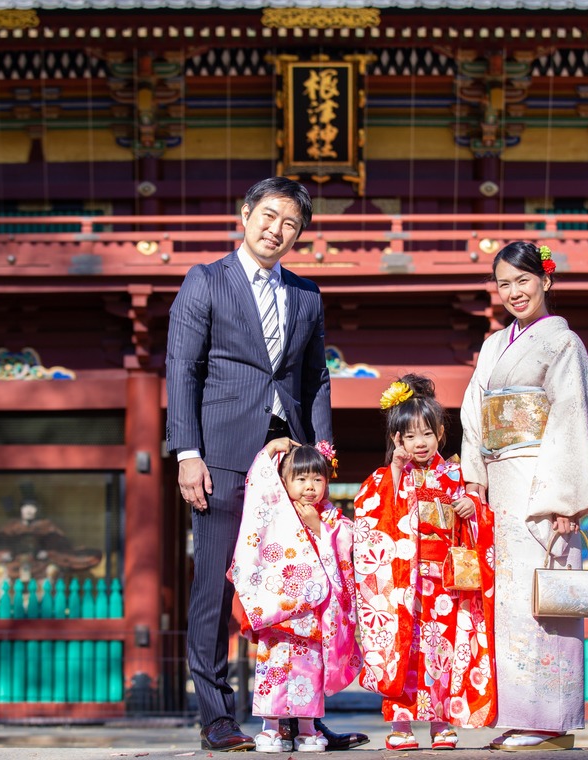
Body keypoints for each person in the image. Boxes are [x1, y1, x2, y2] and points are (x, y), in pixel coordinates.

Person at [166, 176, 366, 752]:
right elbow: (183, 368)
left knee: (304, 584)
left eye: (291, 225)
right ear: (246, 213)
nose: (277, 231)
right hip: (222, 452)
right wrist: (188, 453)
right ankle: (217, 717)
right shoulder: (206, 281)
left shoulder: (306, 295)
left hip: (290, 458)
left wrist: (320, 450)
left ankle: (301, 715)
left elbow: (315, 376)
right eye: (270, 216)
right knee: (213, 582)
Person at [460, 241, 588, 752]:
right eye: (504, 284)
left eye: (523, 281)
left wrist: (566, 499)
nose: (514, 292)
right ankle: (519, 715)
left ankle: (549, 721)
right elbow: (474, 410)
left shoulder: (563, 344)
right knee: (506, 603)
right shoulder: (495, 346)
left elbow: (572, 417)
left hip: (543, 487)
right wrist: (474, 475)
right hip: (501, 485)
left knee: (542, 602)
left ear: (546, 281)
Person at [354, 374, 496, 750]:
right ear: (397, 439)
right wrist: (397, 475)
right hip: (403, 582)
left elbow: (478, 515)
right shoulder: (385, 478)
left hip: (443, 582)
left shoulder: (453, 475)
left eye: (428, 434)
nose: (420, 443)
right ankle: (401, 725)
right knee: (403, 650)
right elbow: (371, 517)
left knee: (440, 651)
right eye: (411, 436)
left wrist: (473, 506)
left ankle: (439, 722)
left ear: (440, 436)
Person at [230, 439, 361, 753]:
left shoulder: (330, 517)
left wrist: (319, 527)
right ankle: (270, 728)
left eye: (317, 479)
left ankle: (306, 729)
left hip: (314, 612)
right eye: (300, 479)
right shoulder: (274, 511)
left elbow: (349, 540)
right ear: (284, 481)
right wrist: (269, 451)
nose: (310, 487)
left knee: (309, 670)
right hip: (281, 606)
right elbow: (258, 481)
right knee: (273, 668)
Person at [0, 497, 101, 583]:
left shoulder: (47, 526)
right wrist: (3, 554)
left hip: (40, 566)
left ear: (38, 510)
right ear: (20, 510)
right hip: (13, 565)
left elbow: (61, 545)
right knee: (0, 571)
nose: (29, 511)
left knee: (52, 571)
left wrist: (48, 553)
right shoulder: (11, 527)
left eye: (33, 507)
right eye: (26, 507)